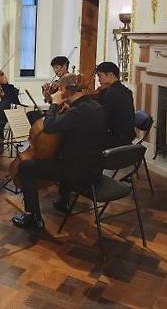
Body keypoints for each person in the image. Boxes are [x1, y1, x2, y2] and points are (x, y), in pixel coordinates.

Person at [12, 73, 106, 230]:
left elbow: (48, 127)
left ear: (64, 90)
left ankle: (34, 218)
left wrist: (54, 104)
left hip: (80, 172)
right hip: (96, 168)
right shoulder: (95, 107)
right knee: (63, 152)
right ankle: (63, 201)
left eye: (60, 90)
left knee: (25, 167)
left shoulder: (77, 112)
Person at [94, 61, 135, 149]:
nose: (99, 80)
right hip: (127, 135)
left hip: (116, 139)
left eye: (100, 76)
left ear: (110, 75)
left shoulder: (110, 93)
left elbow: (102, 119)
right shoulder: (126, 91)